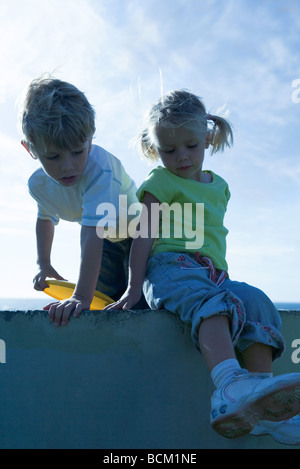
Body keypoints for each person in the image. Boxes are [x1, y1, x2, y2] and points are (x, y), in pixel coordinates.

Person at [105, 89, 300, 444]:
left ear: (208, 138)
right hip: (169, 268)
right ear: (155, 149)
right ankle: (229, 387)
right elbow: (144, 237)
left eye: (191, 146)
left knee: (256, 301)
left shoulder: (220, 186)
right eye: (169, 150)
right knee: (211, 304)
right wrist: (134, 288)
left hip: (214, 273)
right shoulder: (160, 182)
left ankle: (262, 406)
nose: (180, 157)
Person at [20, 76, 146, 327]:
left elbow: (91, 234)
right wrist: (44, 265)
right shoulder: (39, 184)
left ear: (90, 140)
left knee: (139, 305)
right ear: (30, 149)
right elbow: (45, 219)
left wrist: (80, 296)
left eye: (78, 151)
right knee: (107, 305)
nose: (67, 166)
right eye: (53, 156)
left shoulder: (100, 169)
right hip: (109, 241)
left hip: (142, 236)